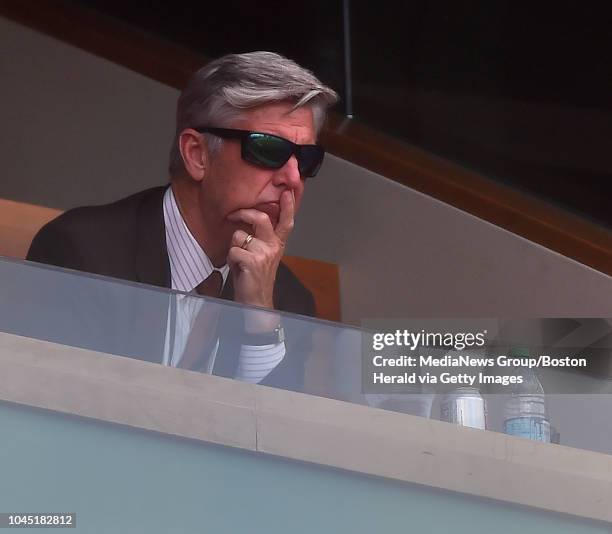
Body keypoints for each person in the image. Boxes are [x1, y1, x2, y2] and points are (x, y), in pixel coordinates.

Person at [27, 51, 338, 388]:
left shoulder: (289, 301)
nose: (292, 178)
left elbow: (278, 433)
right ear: (197, 155)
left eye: (306, 158)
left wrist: (259, 317)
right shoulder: (82, 254)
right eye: (269, 149)